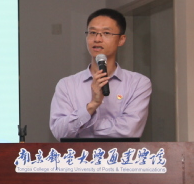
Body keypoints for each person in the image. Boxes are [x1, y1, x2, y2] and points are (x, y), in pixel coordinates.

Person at [49, 8, 151, 140]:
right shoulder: (67, 85)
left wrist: (85, 124)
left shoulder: (138, 83)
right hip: (79, 154)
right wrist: (92, 105)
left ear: (121, 39)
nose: (97, 39)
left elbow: (129, 131)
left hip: (120, 154)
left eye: (106, 33)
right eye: (92, 32)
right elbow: (59, 132)